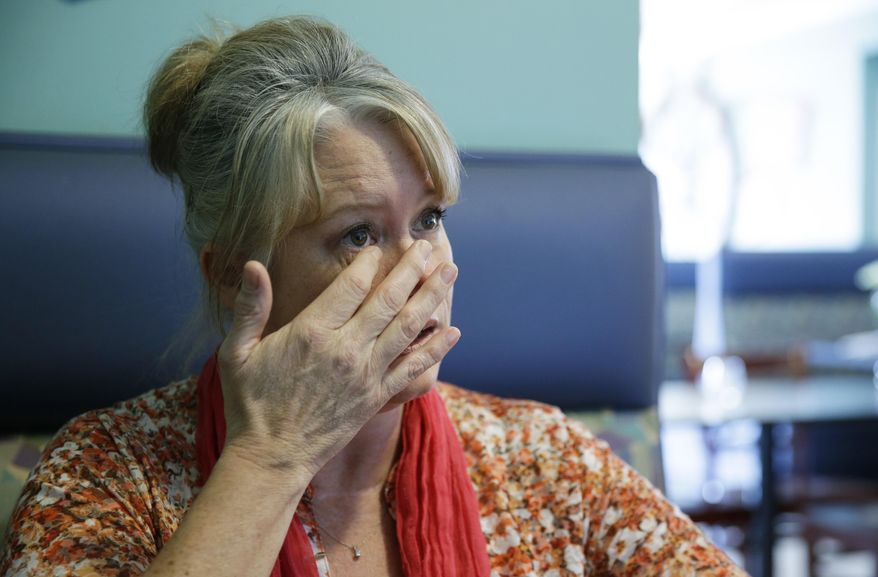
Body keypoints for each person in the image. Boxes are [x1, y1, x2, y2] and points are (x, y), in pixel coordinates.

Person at [0, 16, 747, 577]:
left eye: (429, 219)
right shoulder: (102, 472)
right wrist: (272, 456)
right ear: (232, 273)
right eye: (358, 235)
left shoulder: (541, 459)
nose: (421, 271)